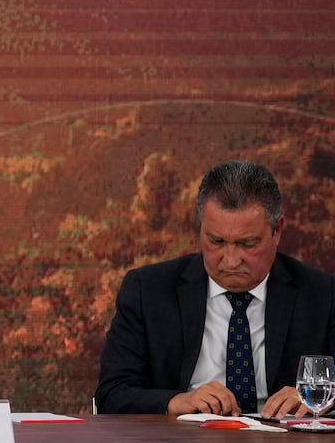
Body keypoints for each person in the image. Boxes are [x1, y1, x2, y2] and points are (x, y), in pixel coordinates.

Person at [95, 160, 335, 417]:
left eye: (248, 244)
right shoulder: (148, 290)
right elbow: (112, 393)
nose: (231, 260)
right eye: (216, 241)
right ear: (201, 229)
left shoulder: (322, 294)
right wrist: (177, 402)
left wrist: (323, 399)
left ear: (277, 231)